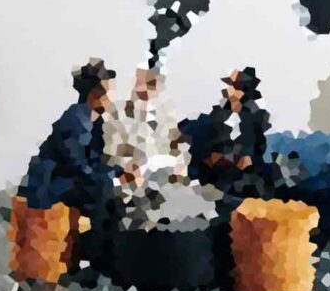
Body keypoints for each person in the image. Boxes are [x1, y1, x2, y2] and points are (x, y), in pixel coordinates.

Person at [19, 58, 123, 229]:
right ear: (94, 94)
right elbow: (77, 164)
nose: (110, 98)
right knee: (104, 189)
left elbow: (95, 160)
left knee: (113, 194)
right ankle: (98, 240)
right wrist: (109, 175)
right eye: (106, 93)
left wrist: (118, 171)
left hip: (74, 181)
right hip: (54, 186)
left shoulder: (96, 122)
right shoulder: (75, 119)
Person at [102, 66, 189, 229]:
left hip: (163, 184)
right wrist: (133, 166)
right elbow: (111, 154)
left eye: (151, 84)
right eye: (140, 81)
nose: (144, 88)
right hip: (130, 184)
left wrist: (179, 166)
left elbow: (178, 147)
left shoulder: (165, 114)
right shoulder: (116, 113)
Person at [178, 67, 273, 200]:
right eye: (229, 85)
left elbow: (250, 155)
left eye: (233, 86)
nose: (227, 90)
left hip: (236, 178)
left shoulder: (252, 119)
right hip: (214, 174)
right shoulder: (218, 115)